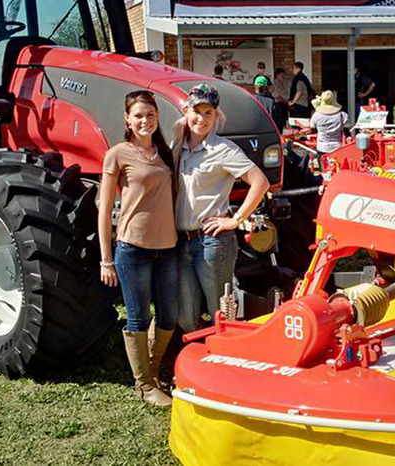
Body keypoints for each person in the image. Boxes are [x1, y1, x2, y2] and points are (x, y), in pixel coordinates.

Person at [98, 90, 178, 408]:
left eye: (151, 114)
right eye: (139, 115)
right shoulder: (117, 154)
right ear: (127, 120)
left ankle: (154, 373)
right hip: (133, 248)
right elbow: (105, 210)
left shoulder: (166, 153)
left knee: (169, 316)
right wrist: (106, 260)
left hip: (168, 247)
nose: (145, 120)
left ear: (158, 117)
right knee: (138, 317)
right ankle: (144, 386)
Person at [172, 83, 270, 332]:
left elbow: (261, 182)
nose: (201, 119)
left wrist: (235, 220)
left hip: (211, 243)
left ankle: (221, 358)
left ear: (216, 117)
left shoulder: (224, 150)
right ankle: (201, 353)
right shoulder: (176, 148)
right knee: (185, 316)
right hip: (180, 242)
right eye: (197, 111)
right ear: (186, 111)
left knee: (220, 313)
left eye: (209, 113)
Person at [310, 90, 350, 154]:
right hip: (337, 147)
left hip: (322, 147)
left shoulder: (316, 115)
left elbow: (313, 130)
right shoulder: (342, 115)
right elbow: (346, 131)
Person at [271, 67, 290, 132]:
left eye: (284, 75)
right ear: (277, 75)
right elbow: (277, 96)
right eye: (282, 75)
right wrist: (285, 101)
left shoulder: (285, 83)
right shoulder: (274, 84)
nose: (283, 77)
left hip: (286, 105)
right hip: (279, 105)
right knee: (280, 123)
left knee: (286, 122)